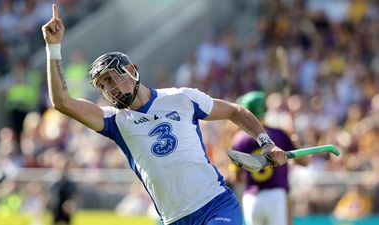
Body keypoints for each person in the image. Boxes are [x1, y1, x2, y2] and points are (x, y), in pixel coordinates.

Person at [41, 4, 287, 225]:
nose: (109, 89)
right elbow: (62, 102)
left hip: (215, 204)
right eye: (102, 86)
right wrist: (53, 48)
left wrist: (266, 143)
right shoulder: (115, 121)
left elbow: (235, 110)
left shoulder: (182, 97)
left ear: (131, 70)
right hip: (172, 219)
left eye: (111, 79)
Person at [230, 91, 309, 225]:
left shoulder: (238, 140)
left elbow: (236, 177)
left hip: (252, 198)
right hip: (276, 196)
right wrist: (295, 142)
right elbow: (304, 162)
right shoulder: (279, 134)